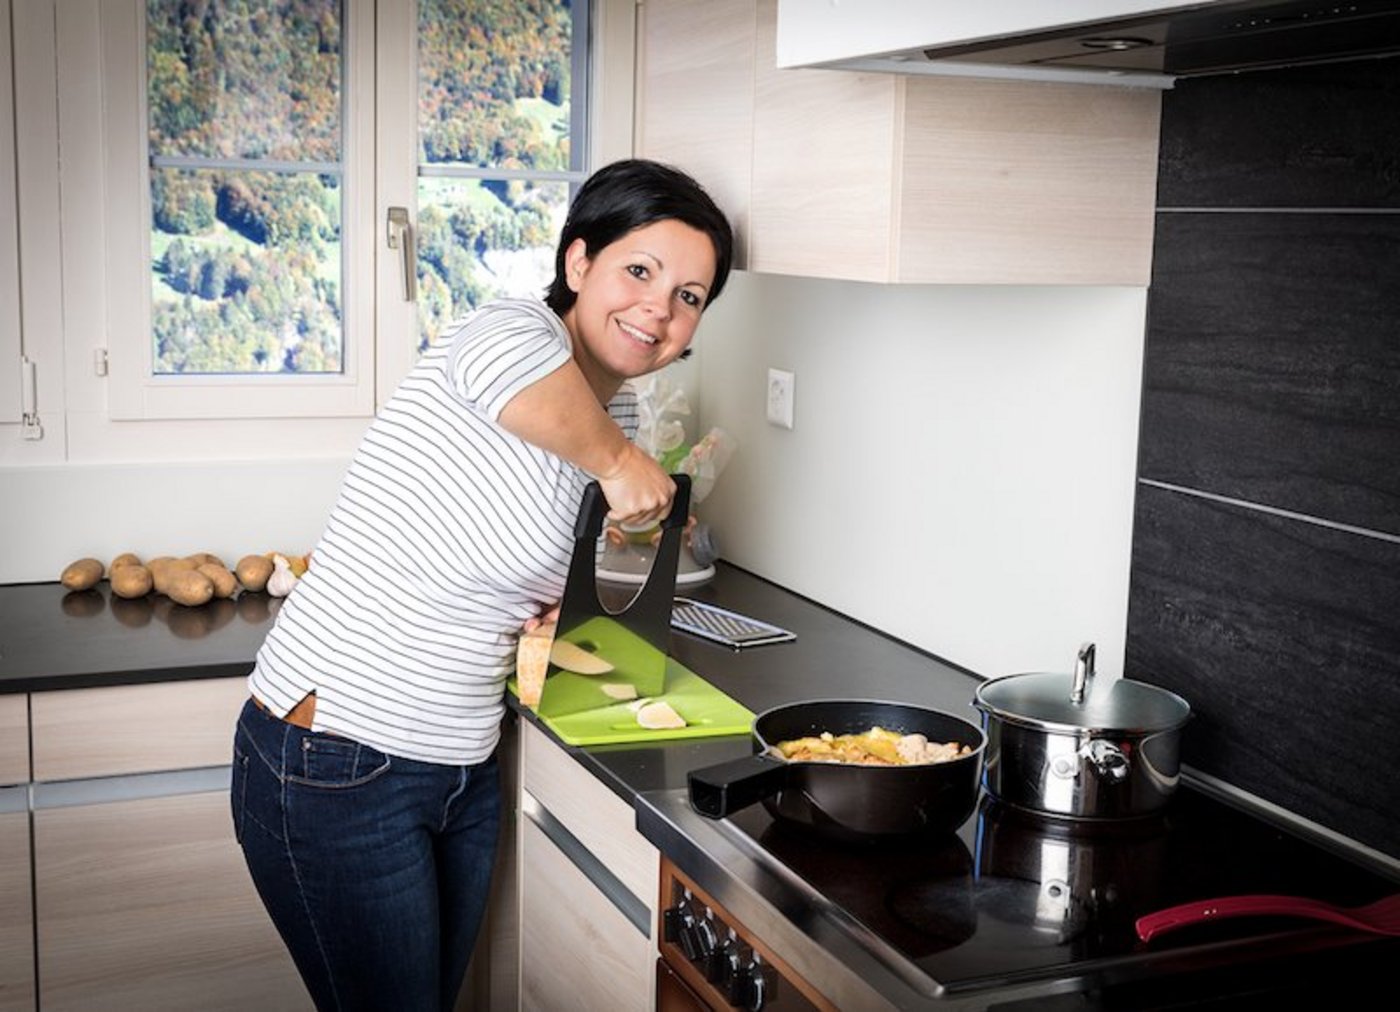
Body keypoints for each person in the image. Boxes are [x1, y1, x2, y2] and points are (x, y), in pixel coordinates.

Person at [230, 159, 734, 1011]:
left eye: (690, 296)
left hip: (460, 762)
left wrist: (540, 604)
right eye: (639, 271)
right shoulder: (508, 329)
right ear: (579, 264)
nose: (660, 307)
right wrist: (620, 468)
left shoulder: (618, 413)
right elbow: (524, 394)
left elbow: (506, 550)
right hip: (337, 757)